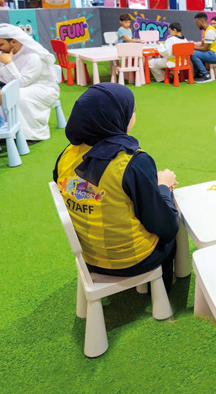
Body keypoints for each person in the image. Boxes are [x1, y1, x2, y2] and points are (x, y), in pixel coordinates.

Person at [53, 83, 180, 294]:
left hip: (90, 258)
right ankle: (166, 286)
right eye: (132, 110)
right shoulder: (131, 161)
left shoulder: (67, 154)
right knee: (174, 216)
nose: (134, 114)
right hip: (133, 260)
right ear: (119, 117)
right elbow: (165, 226)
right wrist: (163, 187)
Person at [0, 23, 61, 142]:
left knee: (17, 96)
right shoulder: (0, 54)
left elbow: (23, 83)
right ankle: (2, 132)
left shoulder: (33, 56)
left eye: (0, 44)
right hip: (13, 87)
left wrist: (8, 63)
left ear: (14, 42)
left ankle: (30, 135)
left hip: (43, 89)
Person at [190, 12, 216, 83]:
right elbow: (201, 46)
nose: (197, 25)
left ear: (202, 21)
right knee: (195, 52)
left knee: (193, 53)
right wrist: (191, 45)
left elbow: (204, 49)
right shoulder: (206, 30)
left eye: (197, 22)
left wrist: (191, 48)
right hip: (214, 53)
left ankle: (205, 75)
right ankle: (200, 73)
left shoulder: (210, 31)